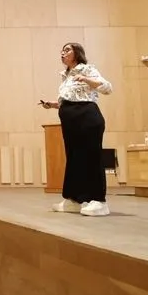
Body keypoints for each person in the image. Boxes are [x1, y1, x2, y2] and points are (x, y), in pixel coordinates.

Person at [41, 42, 113, 217]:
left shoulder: (87, 69)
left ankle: (99, 200)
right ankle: (74, 199)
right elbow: (72, 98)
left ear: (77, 53)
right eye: (62, 50)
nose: (63, 53)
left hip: (87, 117)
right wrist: (53, 104)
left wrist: (86, 79)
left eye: (67, 50)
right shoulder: (66, 76)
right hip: (70, 121)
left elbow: (107, 88)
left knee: (91, 157)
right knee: (74, 159)